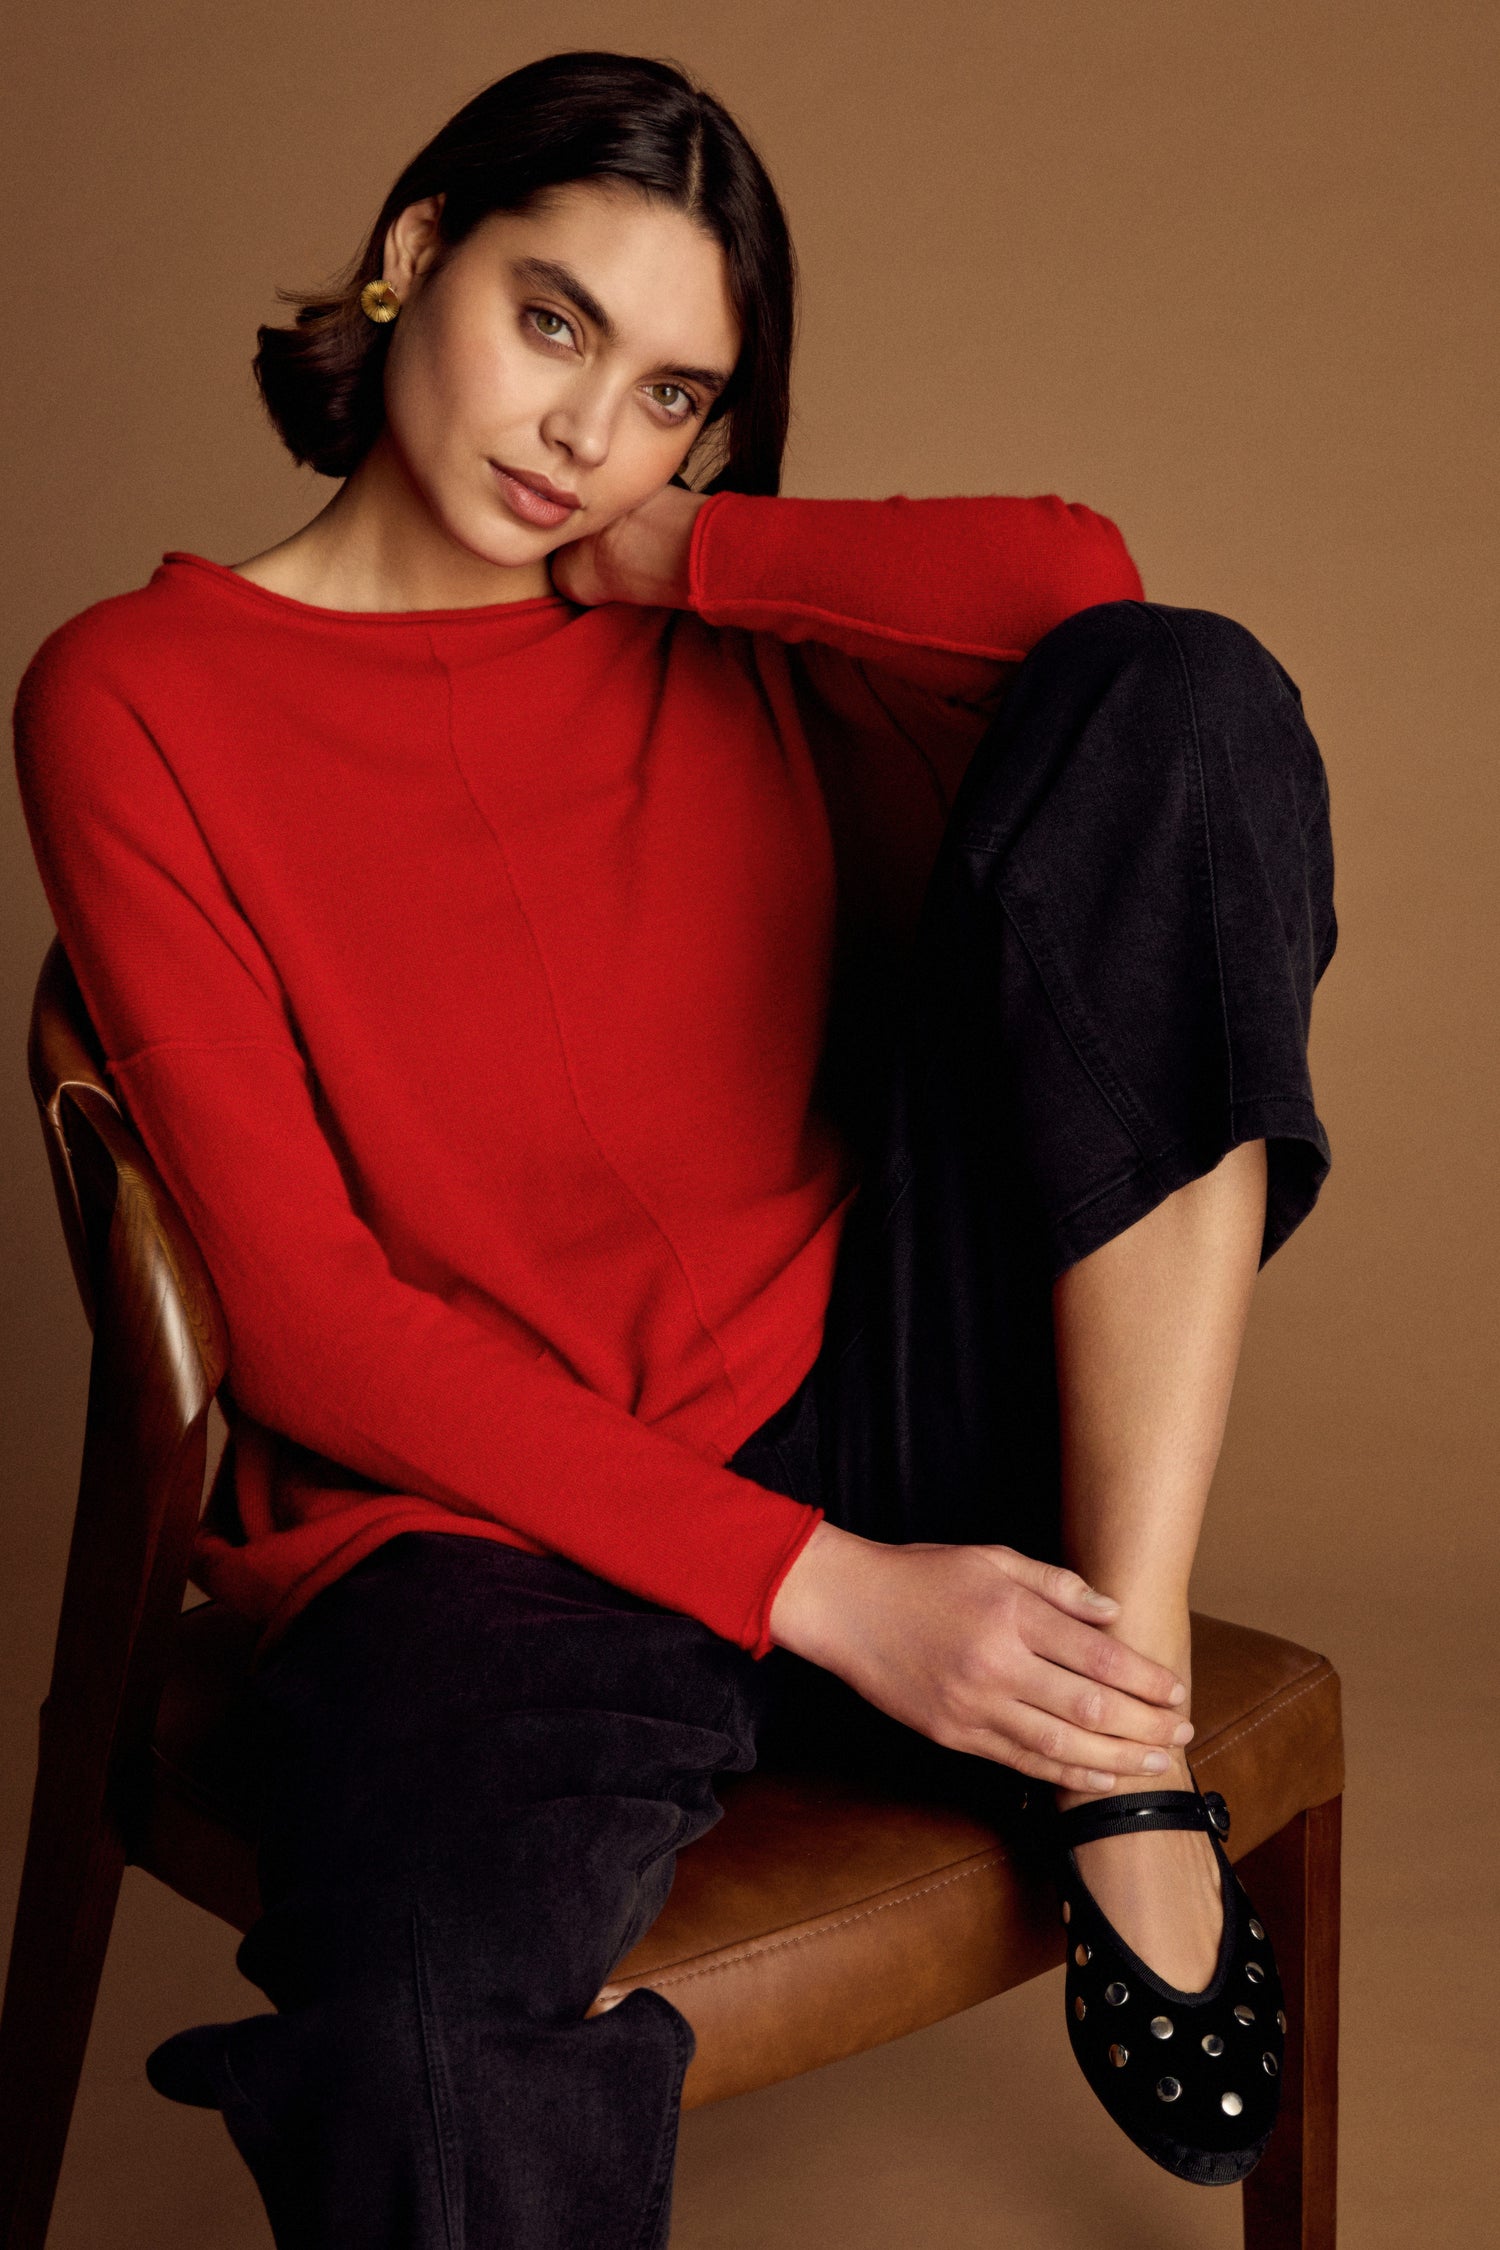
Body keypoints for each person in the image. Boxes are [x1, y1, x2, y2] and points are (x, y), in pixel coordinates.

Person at [11, 45, 1336, 2246]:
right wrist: (833, 1598)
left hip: (875, 1380)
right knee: (420, 2039)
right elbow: (317, 1326)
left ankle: (1125, 1729)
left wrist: (685, 547)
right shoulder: (134, 691)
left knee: (1190, 692)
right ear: (413, 253)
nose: (581, 433)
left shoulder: (690, 603)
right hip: (493, 1522)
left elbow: (1100, 612)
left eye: (670, 391)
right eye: (555, 323)